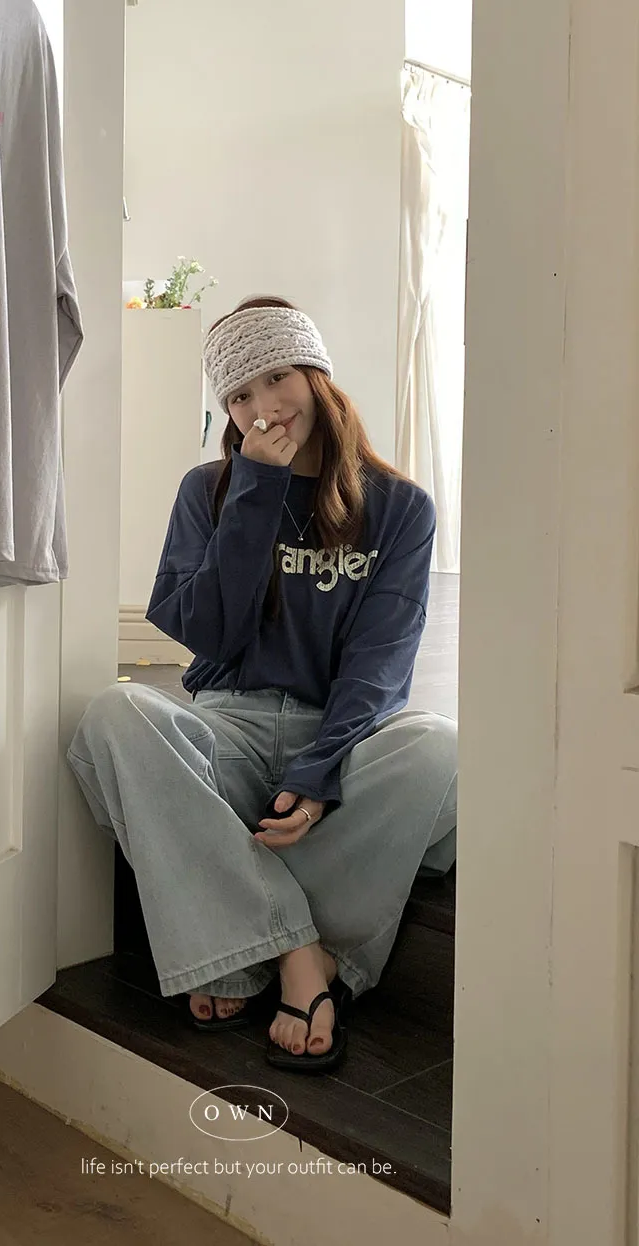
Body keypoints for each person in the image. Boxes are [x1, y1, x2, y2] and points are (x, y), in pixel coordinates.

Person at [66, 295, 457, 1074]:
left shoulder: (400, 507)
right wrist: (256, 490)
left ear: (316, 377)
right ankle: (303, 953)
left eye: (277, 377)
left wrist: (318, 776)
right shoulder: (207, 490)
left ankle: (234, 937)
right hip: (228, 727)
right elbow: (208, 633)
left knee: (438, 749)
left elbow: (380, 661)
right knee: (116, 714)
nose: (262, 406)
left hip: (341, 736)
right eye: (240, 394)